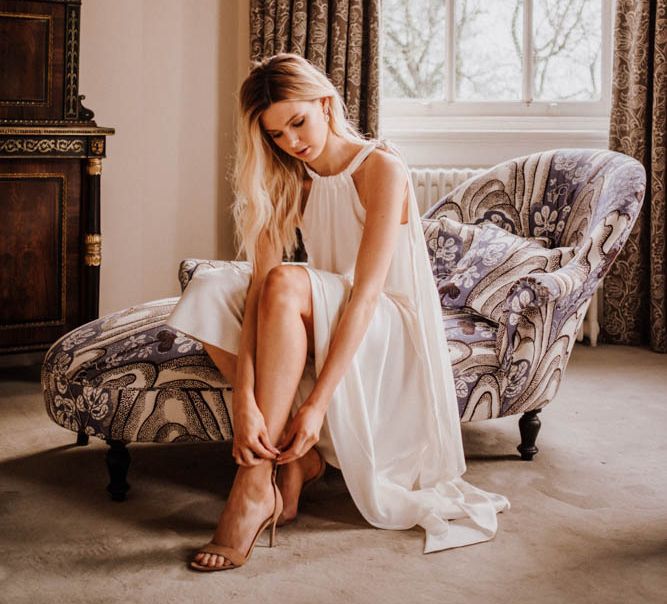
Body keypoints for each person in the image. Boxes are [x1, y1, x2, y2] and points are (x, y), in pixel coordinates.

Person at [166, 52, 510, 572]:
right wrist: (245, 405)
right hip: (329, 307)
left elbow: (368, 294)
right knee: (210, 288)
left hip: (386, 327)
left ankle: (252, 485)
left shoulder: (380, 167)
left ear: (326, 103)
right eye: (276, 135)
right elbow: (258, 289)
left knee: (287, 281)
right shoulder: (288, 177)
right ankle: (291, 458)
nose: (292, 142)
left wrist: (316, 406)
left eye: (298, 122)